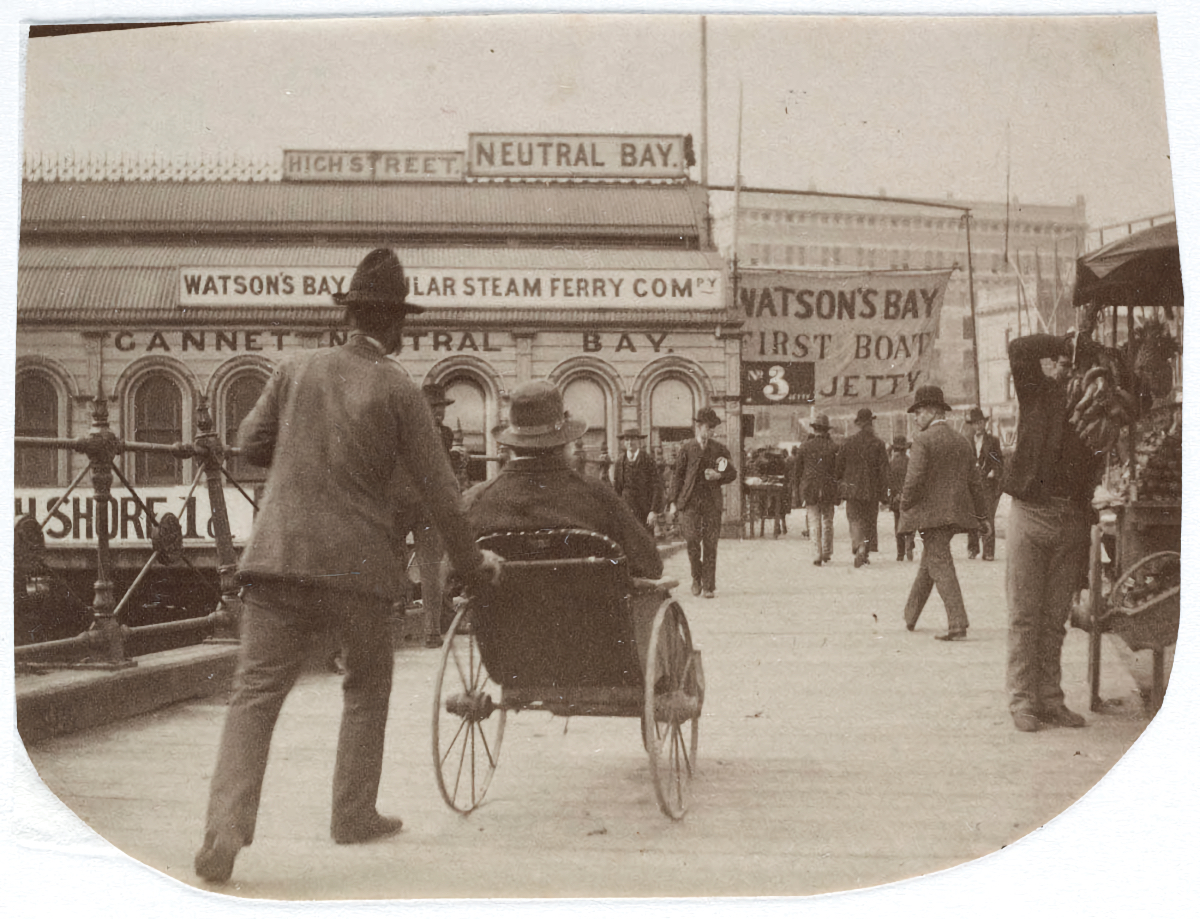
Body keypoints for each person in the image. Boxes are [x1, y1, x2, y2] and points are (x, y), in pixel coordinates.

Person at [194, 249, 501, 885]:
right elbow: (443, 496)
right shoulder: (399, 390)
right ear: (395, 326)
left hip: (277, 560)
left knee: (253, 698)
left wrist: (300, 459)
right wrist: (472, 569)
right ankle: (352, 813)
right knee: (365, 687)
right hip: (360, 573)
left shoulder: (293, 368)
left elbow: (249, 447)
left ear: (348, 315)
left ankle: (225, 831)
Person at [1002, 332, 1104, 733]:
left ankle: (1050, 699)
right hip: (1030, 514)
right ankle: (1022, 701)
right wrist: (1065, 339)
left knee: (1054, 619)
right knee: (1025, 616)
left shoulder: (1095, 405)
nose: (1064, 368)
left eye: (1071, 363)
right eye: (1059, 362)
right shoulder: (1036, 393)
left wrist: (1089, 351)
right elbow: (1019, 350)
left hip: (1071, 519)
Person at [899, 385, 990, 641]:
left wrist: (904, 504)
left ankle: (957, 622)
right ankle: (910, 614)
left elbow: (914, 480)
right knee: (931, 562)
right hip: (956, 515)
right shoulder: (962, 440)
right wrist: (983, 518)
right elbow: (975, 483)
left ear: (930, 411)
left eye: (918, 413)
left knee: (940, 564)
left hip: (931, 516)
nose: (916, 418)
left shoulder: (923, 440)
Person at [666, 406, 737, 598]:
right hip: (689, 503)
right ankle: (696, 578)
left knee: (711, 543)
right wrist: (673, 501)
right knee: (691, 540)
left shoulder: (719, 450)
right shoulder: (687, 449)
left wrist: (718, 475)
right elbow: (677, 477)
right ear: (698, 427)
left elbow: (731, 473)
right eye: (708, 427)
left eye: (713, 428)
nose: (711, 431)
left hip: (711, 503)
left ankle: (708, 586)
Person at [416, 382, 457, 648]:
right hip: (421, 503)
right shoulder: (440, 434)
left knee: (430, 568)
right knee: (429, 567)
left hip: (419, 505)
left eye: (441, 407)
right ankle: (432, 628)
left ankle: (432, 630)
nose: (439, 412)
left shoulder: (443, 433)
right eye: (434, 407)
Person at [835, 407, 890, 567]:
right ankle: (864, 551)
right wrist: (885, 493)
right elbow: (884, 470)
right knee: (869, 520)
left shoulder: (848, 442)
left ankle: (860, 546)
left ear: (858, 424)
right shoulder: (878, 444)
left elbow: (839, 466)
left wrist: (840, 482)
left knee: (854, 518)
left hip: (852, 488)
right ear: (871, 423)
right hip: (872, 489)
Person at [794, 414, 840, 566]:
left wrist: (797, 488)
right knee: (827, 520)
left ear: (814, 429)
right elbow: (838, 470)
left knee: (813, 521)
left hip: (810, 488)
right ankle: (827, 551)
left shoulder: (805, 446)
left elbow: (797, 471)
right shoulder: (833, 447)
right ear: (827, 430)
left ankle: (816, 553)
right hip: (828, 488)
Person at [964, 407, 1005, 561]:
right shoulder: (967, 441)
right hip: (972, 484)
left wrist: (994, 472)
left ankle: (988, 551)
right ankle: (973, 548)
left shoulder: (992, 441)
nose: (978, 426)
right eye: (975, 423)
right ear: (972, 425)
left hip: (987, 484)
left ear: (984, 423)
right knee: (972, 515)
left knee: (988, 516)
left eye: (980, 423)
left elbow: (998, 461)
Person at [613, 428, 664, 533]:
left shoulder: (648, 460)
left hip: (645, 510)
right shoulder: (620, 462)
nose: (630, 442)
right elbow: (617, 489)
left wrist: (653, 511)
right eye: (627, 440)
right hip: (626, 510)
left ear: (638, 441)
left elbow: (657, 486)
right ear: (624, 442)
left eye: (633, 439)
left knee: (646, 542)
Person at [887, 434, 915, 562]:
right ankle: (910, 544)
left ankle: (900, 552)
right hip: (909, 497)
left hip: (896, 498)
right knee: (909, 522)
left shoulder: (891, 463)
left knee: (897, 524)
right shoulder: (910, 462)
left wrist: (894, 494)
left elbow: (889, 481)